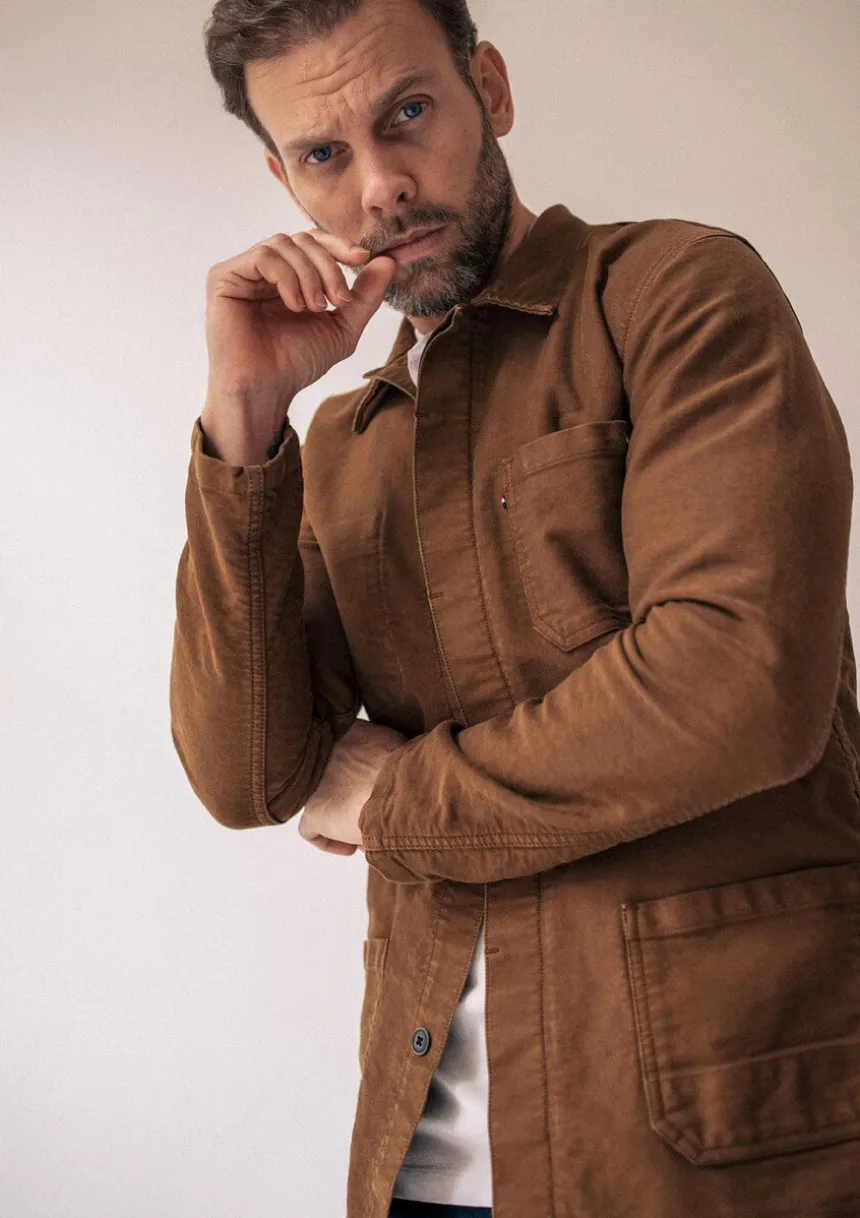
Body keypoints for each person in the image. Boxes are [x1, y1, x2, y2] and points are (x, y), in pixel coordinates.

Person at [169, 0, 860, 1215]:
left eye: (408, 113)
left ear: (486, 87)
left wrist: (392, 798)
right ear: (284, 179)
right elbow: (248, 776)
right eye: (324, 153)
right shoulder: (340, 442)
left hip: (708, 1149)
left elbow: (735, 686)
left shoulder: (674, 295)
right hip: (422, 1160)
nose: (382, 185)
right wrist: (244, 426)